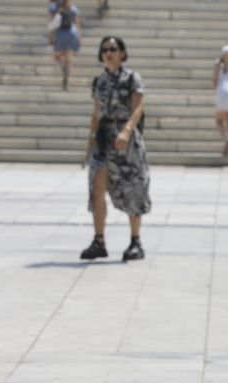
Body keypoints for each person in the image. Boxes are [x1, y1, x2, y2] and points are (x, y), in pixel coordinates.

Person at [80, 37, 151, 262]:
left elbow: (138, 107)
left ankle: (135, 241)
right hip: (104, 140)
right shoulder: (99, 81)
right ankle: (99, 241)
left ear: (122, 53)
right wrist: (89, 146)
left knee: (133, 187)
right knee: (96, 189)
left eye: (113, 49)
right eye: (105, 49)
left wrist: (127, 130)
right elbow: (95, 114)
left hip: (126, 141)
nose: (108, 52)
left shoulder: (132, 78)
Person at [47, 0, 81, 90]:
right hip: (71, 33)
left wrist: (50, 37)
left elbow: (51, 23)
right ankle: (67, 77)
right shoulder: (72, 8)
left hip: (59, 34)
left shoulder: (54, 7)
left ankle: (63, 67)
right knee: (69, 59)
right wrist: (79, 37)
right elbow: (77, 23)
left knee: (57, 56)